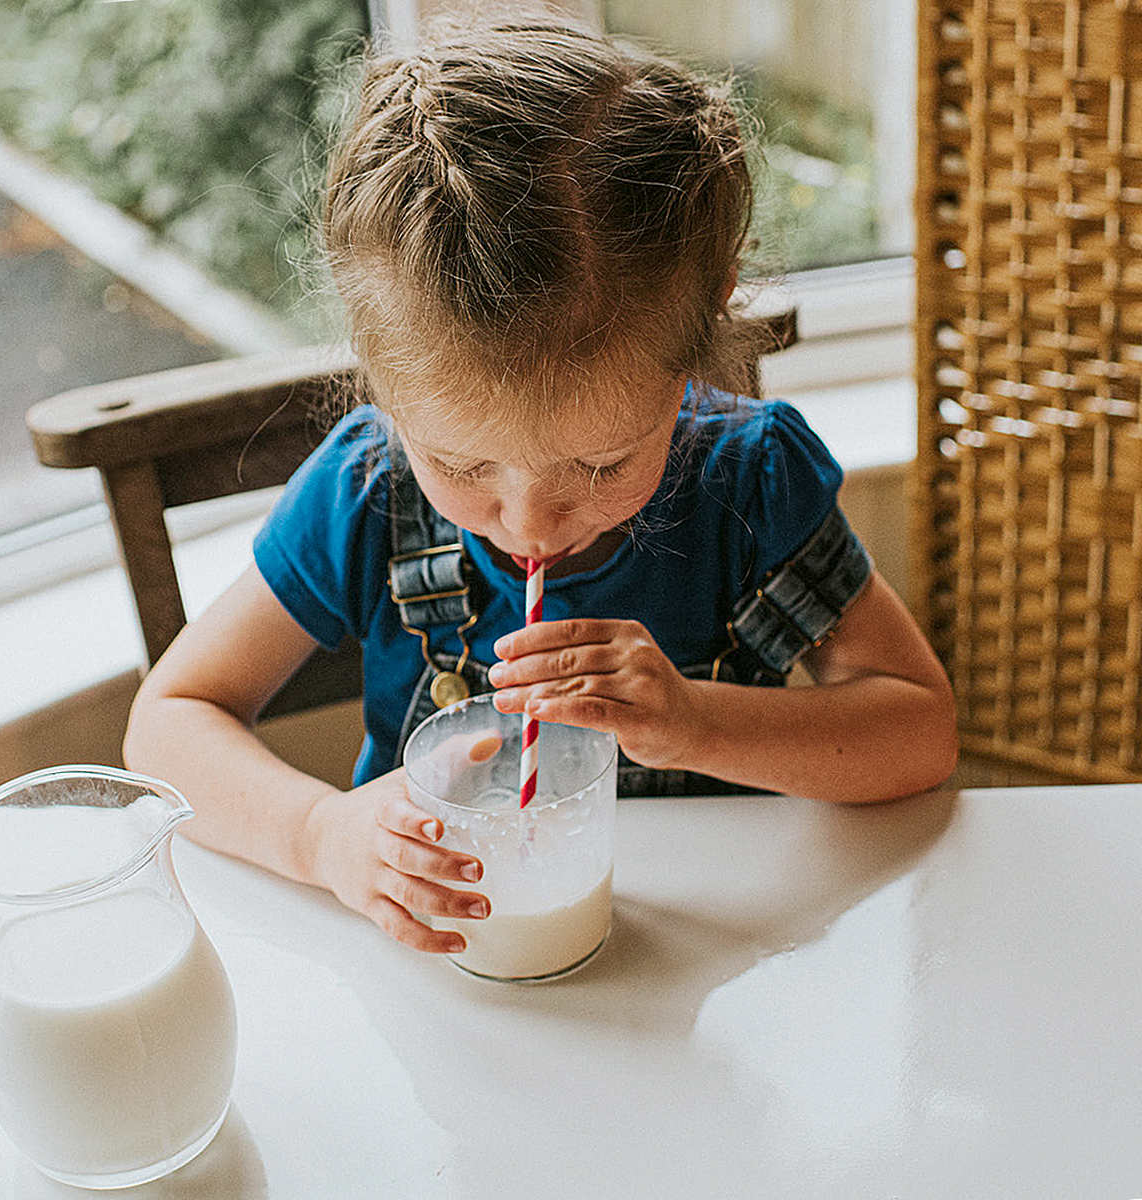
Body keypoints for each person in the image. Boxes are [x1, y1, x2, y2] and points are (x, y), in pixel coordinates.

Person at [123, 14, 958, 955]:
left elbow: (918, 733)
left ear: (699, 340)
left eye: (602, 464)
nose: (531, 522)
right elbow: (168, 725)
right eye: (463, 465)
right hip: (437, 979)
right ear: (381, 378)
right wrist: (323, 835)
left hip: (716, 967)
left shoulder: (751, 484)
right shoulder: (367, 489)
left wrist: (695, 721)